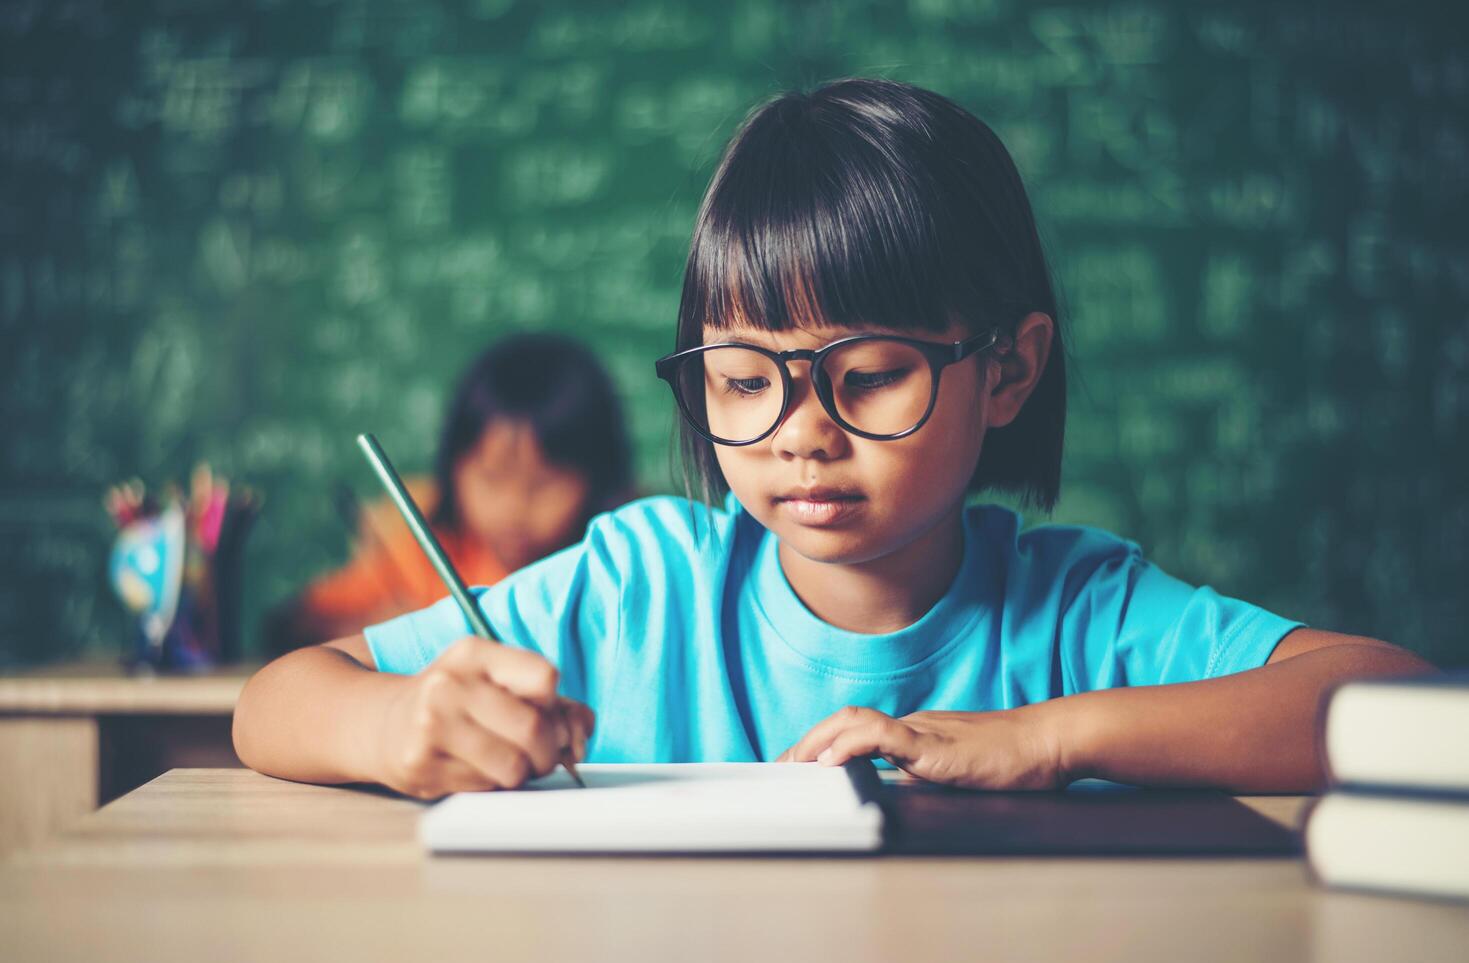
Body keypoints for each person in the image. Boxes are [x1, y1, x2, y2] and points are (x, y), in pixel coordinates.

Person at [234, 79, 1432, 798]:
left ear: (1005, 369)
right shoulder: (640, 582)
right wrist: (399, 727)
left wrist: (1047, 736)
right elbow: (275, 701)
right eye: (743, 379)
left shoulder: (1079, 615)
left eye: (865, 375)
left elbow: (1390, 700)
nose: (799, 434)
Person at [266, 332, 633, 651]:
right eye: (491, 478)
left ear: (599, 476)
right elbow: (292, 625)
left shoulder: (623, 561)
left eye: (543, 485)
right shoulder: (425, 546)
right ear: (453, 466)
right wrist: (382, 631)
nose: (513, 507)